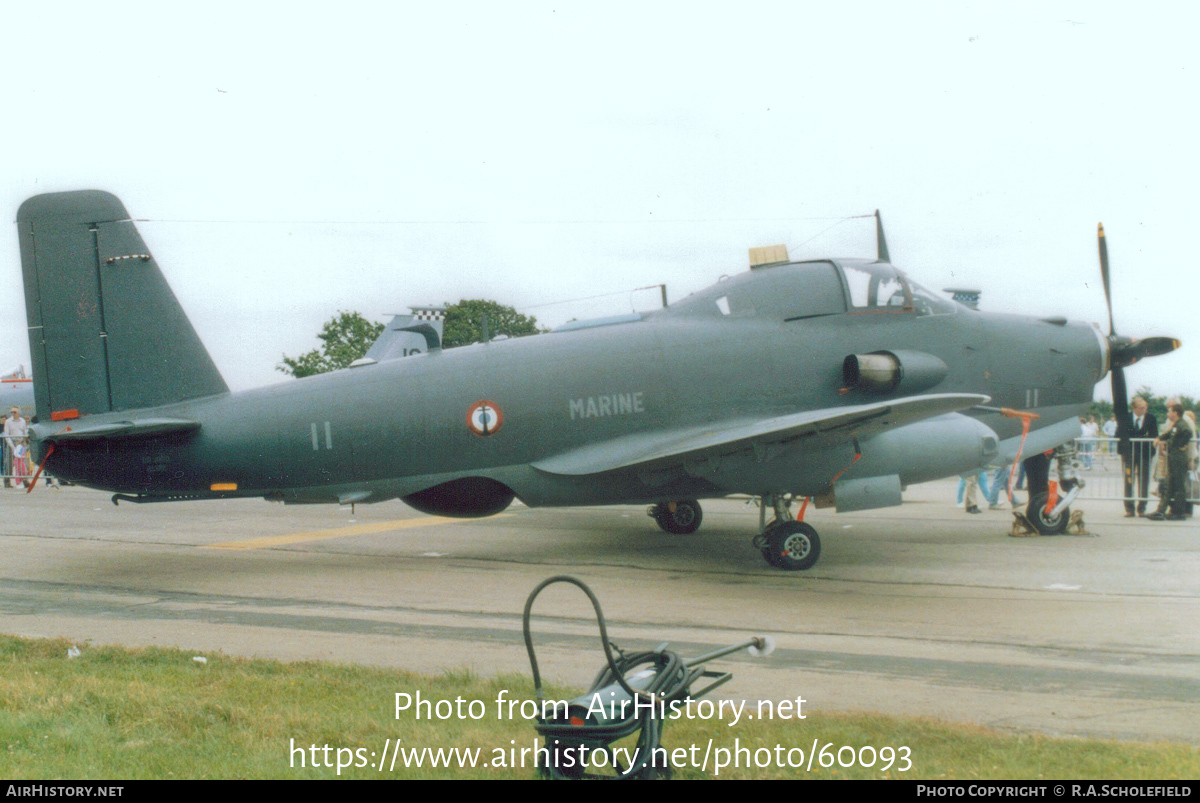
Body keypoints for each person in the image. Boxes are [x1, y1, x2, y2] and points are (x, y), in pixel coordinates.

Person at [1148, 404, 1192, 521]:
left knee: (1178, 485)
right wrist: (1159, 438)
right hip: (1174, 456)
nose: (1168, 414)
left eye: (1170, 412)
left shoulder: (1182, 425)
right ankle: (1161, 511)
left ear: (1175, 413)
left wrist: (1181, 444)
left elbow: (1188, 433)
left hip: (1178, 457)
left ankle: (1179, 512)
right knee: (1169, 484)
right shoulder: (1176, 425)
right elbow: (1169, 434)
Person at [1119, 397, 1158, 517]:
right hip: (1129, 455)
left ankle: (1142, 508)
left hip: (1145, 455)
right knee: (1129, 480)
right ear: (1134, 408)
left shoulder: (1151, 418)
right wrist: (1124, 452)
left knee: (1144, 480)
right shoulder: (1126, 418)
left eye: (1145, 407)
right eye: (1141, 408)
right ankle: (1129, 508)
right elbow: (1119, 434)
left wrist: (1151, 452)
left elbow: (1154, 435)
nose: (1144, 410)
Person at [3, 407, 28, 489]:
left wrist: (24, 442)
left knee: (22, 463)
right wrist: (12, 446)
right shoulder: (8, 421)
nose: (13, 413)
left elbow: (25, 432)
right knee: (9, 463)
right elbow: (6, 434)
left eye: (14, 412)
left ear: (19, 413)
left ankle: (24, 480)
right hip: (12, 442)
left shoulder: (23, 421)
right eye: (11, 412)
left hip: (20, 443)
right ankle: (7, 481)